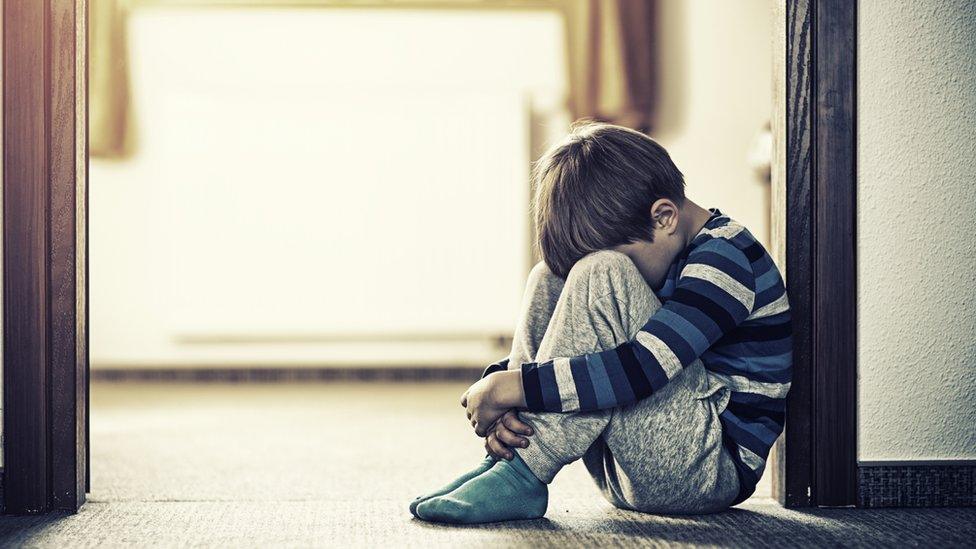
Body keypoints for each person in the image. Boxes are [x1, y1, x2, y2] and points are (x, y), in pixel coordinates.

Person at [410, 122, 792, 524]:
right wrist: (510, 387)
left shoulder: (725, 260)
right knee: (550, 274)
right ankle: (510, 455)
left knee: (602, 271)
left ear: (664, 217)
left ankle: (524, 472)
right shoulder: (668, 244)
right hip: (628, 462)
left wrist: (514, 386)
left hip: (706, 469)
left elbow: (642, 367)